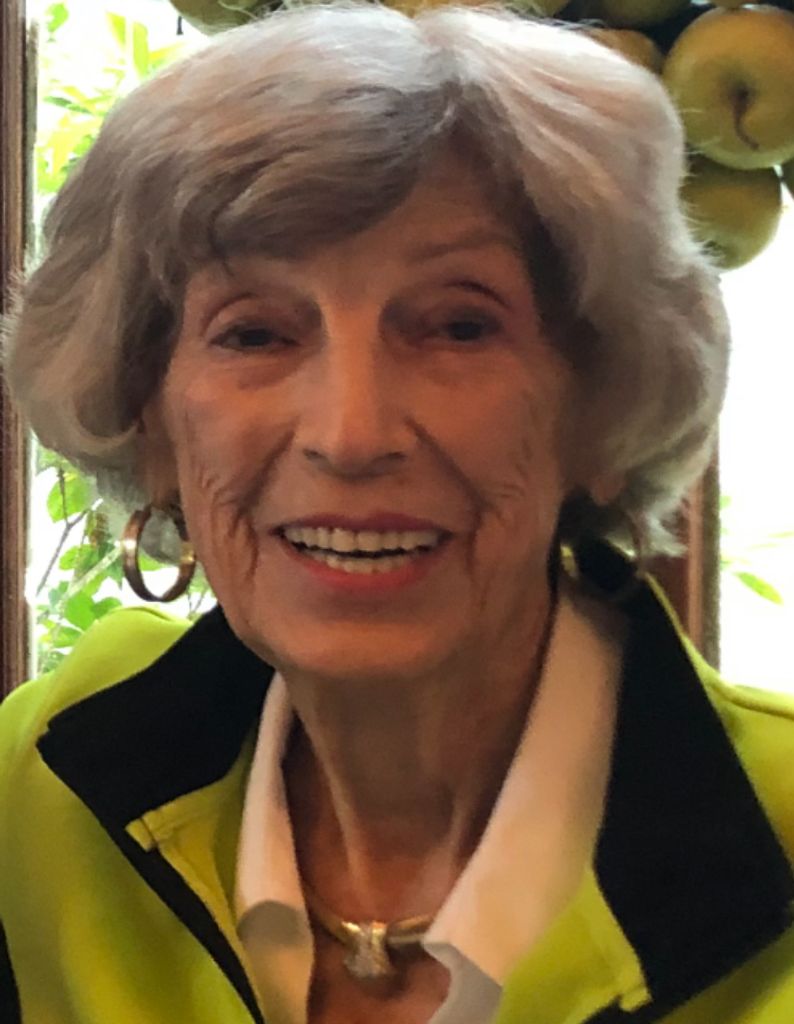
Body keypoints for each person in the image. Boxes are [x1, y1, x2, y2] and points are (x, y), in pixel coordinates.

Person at [1, 4, 792, 1023]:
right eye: (255, 334)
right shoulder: (42, 796)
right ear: (146, 418)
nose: (351, 433)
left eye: (458, 327)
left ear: (603, 404)